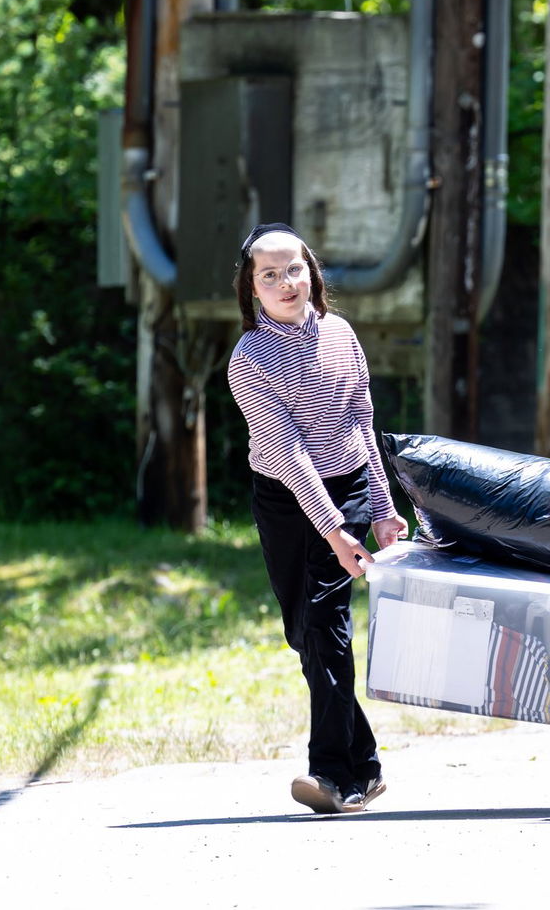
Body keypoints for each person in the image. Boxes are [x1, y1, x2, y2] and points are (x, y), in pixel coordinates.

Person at [227, 222, 408, 815]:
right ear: (252, 287)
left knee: (327, 628)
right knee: (303, 632)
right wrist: (331, 530)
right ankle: (368, 762)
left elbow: (360, 419)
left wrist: (380, 508)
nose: (285, 282)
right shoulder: (249, 356)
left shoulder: (340, 333)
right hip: (285, 496)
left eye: (294, 269)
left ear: (312, 272)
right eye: (270, 274)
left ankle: (333, 776)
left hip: (348, 486)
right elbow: (286, 448)